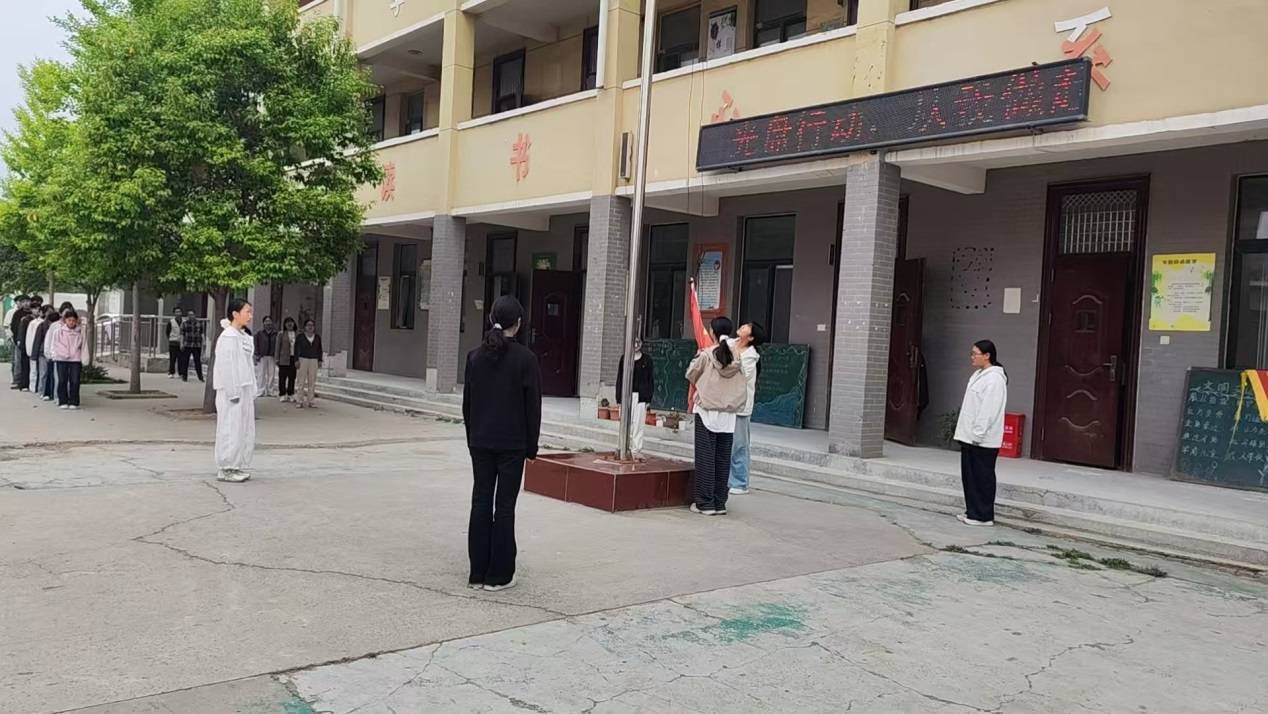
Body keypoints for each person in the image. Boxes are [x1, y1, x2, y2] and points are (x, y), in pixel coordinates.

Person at [462, 296, 541, 592]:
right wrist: (531, 447)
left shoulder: (474, 357)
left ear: (491, 318)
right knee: (504, 507)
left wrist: (472, 438)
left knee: (480, 502)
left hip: (480, 441)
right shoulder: (526, 360)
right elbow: (533, 408)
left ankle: (477, 572)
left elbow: (467, 405)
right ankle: (499, 575)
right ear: (518, 324)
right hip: (512, 445)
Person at [685, 316, 746, 516]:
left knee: (705, 457)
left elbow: (691, 374)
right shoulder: (738, 356)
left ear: (712, 332)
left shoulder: (706, 354)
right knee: (722, 458)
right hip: (729, 413)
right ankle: (720, 502)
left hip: (707, 410)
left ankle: (705, 503)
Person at [954, 339, 1008, 527]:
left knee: (982, 477)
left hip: (982, 439)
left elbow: (989, 410)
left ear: (987, 356)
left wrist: (978, 433)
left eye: (975, 354)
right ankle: (972, 511)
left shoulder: (995, 379)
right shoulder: (979, 374)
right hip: (970, 436)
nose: (972, 357)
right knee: (970, 476)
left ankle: (983, 516)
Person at [213, 298, 258, 483]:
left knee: (242, 429)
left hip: (244, 387)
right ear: (235, 314)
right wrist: (233, 392)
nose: (250, 315)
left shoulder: (242, 336)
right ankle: (226, 467)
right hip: (231, 390)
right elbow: (227, 366)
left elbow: (247, 365)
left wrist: (252, 389)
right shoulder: (228, 337)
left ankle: (236, 464)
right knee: (230, 428)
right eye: (247, 311)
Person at [727, 322, 765, 495]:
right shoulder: (729, 343)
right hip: (725, 403)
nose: (742, 327)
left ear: (750, 337)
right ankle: (727, 479)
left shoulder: (751, 357)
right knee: (727, 443)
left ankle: (740, 482)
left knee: (739, 445)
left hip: (741, 406)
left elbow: (739, 376)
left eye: (746, 328)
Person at [615, 336, 655, 455]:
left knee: (638, 424)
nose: (636, 344)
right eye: (634, 342)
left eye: (638, 342)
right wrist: (619, 399)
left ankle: (636, 449)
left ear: (641, 343)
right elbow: (620, 379)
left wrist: (648, 398)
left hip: (640, 396)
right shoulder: (624, 359)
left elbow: (650, 380)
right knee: (625, 423)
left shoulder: (647, 360)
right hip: (626, 395)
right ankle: (623, 446)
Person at [51, 309, 86, 410]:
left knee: (75, 381)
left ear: (76, 321)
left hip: (75, 359)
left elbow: (84, 346)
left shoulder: (80, 332)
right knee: (62, 380)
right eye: (69, 320)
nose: (71, 322)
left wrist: (84, 358)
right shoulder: (58, 332)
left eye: (73, 320)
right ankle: (63, 400)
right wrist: (55, 355)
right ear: (65, 320)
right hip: (61, 359)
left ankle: (74, 401)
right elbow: (54, 344)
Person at [29, 307, 56, 402]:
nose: (49, 313)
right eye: (48, 311)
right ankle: (41, 391)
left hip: (54, 353)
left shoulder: (58, 326)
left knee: (52, 374)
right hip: (42, 353)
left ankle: (51, 392)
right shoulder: (42, 326)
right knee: (43, 373)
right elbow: (37, 341)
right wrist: (34, 355)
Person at [294, 319, 323, 408]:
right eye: (308, 325)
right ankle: (299, 401)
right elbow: (296, 349)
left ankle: (311, 401)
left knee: (312, 381)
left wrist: (320, 360)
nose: (310, 327)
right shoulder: (300, 337)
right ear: (305, 327)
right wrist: (296, 360)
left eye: (312, 325)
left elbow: (319, 349)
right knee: (301, 381)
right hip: (303, 359)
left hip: (314, 360)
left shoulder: (317, 337)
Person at [7, 295, 31, 389]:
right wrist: (16, 339)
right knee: (18, 361)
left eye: (27, 301)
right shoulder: (17, 313)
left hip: (30, 340)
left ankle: (28, 382)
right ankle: (18, 381)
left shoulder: (33, 313)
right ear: (20, 303)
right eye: (23, 302)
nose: (26, 303)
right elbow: (13, 326)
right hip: (19, 340)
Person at [254, 315, 278, 398]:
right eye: (266, 321)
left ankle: (270, 390)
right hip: (262, 356)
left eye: (269, 321)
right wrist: (256, 354)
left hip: (272, 356)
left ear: (272, 323)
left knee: (271, 374)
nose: (268, 323)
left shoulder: (276, 334)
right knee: (261, 374)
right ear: (263, 323)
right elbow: (256, 344)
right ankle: (260, 390)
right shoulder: (259, 334)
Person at [40, 308, 62, 401]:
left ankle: (52, 394)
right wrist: (48, 353)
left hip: (59, 355)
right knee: (50, 374)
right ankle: (49, 393)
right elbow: (48, 342)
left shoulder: (61, 327)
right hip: (52, 354)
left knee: (53, 375)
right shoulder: (51, 327)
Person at [276, 317, 299, 403]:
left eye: (291, 322)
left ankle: (290, 393)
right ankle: (282, 394)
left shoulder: (297, 334)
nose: (289, 324)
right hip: (283, 358)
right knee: (282, 377)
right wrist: (277, 358)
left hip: (294, 358)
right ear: (285, 324)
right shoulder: (281, 334)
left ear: (294, 324)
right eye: (287, 322)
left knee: (292, 377)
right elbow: (277, 347)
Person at [180, 312, 205, 382]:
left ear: (195, 315)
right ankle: (184, 376)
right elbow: (182, 334)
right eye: (189, 315)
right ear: (187, 316)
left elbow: (202, 333)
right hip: (187, 344)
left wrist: (204, 341)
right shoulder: (184, 324)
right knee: (185, 361)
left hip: (196, 345)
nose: (191, 316)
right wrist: (181, 343)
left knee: (197, 361)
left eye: (192, 315)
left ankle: (200, 377)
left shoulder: (199, 323)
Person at [166, 308, 184, 379]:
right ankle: (171, 372)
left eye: (179, 311)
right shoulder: (171, 322)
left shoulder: (184, 322)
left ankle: (181, 373)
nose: (178, 313)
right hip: (173, 342)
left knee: (181, 359)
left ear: (181, 313)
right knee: (172, 358)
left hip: (181, 343)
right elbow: (167, 332)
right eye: (176, 312)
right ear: (174, 313)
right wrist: (170, 338)